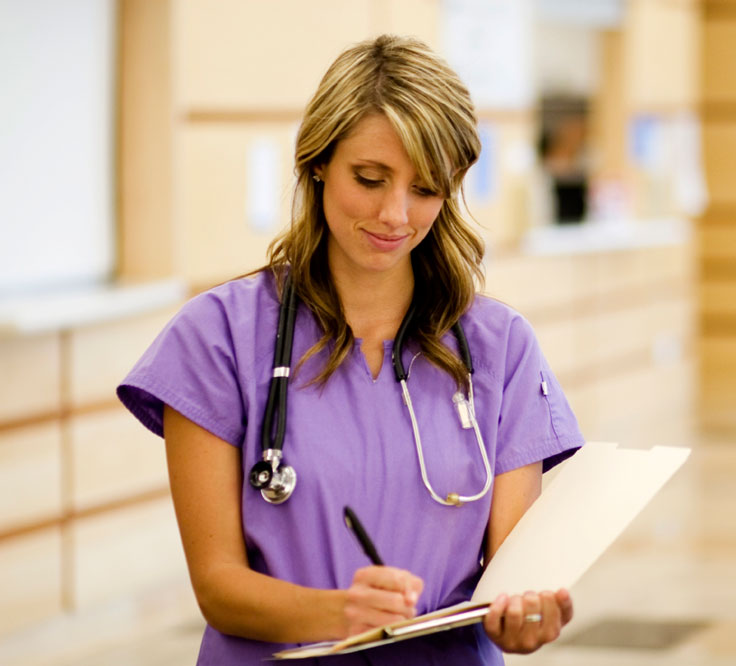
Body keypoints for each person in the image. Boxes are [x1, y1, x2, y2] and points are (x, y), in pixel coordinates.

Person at [117, 34, 584, 664]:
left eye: (426, 188)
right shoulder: (218, 337)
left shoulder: (500, 349)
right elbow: (218, 587)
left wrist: (523, 618)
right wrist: (343, 614)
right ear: (317, 161)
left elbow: (510, 581)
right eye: (370, 178)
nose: (395, 214)